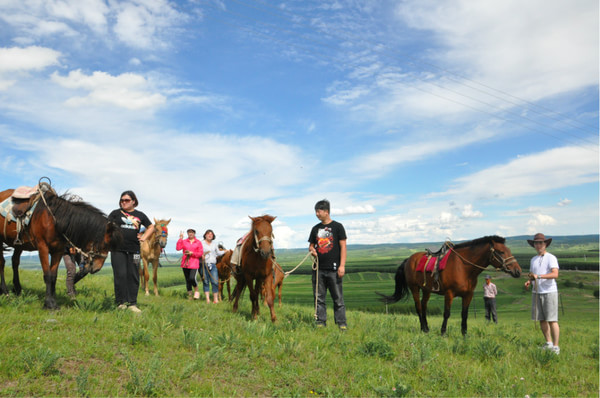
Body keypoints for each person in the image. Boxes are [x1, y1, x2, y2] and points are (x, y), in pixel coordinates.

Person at [107, 190, 154, 313]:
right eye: (122, 200)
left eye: (127, 200)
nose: (124, 202)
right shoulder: (115, 213)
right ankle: (121, 302)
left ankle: (132, 303)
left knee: (133, 275)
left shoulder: (140, 215)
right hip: (118, 250)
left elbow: (151, 227)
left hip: (135, 251)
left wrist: (144, 237)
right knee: (120, 275)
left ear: (133, 201)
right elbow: (106, 226)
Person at [308, 199, 347, 330]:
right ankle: (320, 322)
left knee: (338, 298)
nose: (317, 214)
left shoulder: (338, 227)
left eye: (319, 211)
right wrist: (312, 250)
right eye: (316, 211)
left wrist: (342, 266)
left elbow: (343, 247)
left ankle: (341, 323)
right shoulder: (315, 229)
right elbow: (311, 245)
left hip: (334, 269)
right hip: (318, 269)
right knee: (319, 298)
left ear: (326, 211)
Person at [524, 233, 560, 355]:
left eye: (540, 243)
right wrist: (529, 281)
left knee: (552, 320)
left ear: (545, 244)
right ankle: (548, 343)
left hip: (549, 291)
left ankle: (556, 347)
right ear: (533, 245)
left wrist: (538, 276)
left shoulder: (551, 258)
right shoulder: (533, 259)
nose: (538, 245)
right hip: (536, 292)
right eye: (536, 243)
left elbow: (555, 274)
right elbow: (532, 275)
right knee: (542, 319)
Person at [176, 229, 203, 300]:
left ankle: (196, 291)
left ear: (194, 234)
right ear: (187, 234)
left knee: (192, 278)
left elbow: (200, 253)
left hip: (194, 263)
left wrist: (192, 253)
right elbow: (178, 248)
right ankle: (190, 297)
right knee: (187, 280)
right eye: (189, 232)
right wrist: (180, 239)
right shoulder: (184, 241)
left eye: (192, 232)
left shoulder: (198, 242)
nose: (190, 234)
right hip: (185, 263)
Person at [201, 229, 225, 303]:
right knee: (205, 282)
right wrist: (201, 255)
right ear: (205, 235)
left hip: (213, 265)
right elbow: (198, 251)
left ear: (213, 236)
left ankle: (215, 299)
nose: (210, 235)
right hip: (204, 265)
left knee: (215, 282)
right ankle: (208, 299)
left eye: (211, 234)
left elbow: (218, 253)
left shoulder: (214, 244)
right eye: (208, 234)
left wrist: (225, 251)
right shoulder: (201, 243)